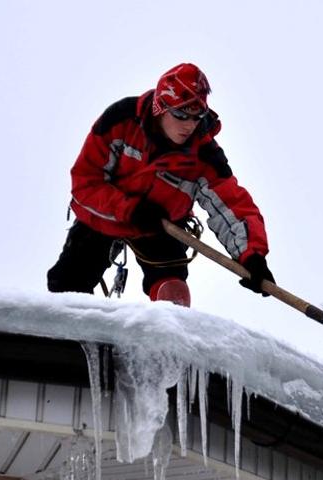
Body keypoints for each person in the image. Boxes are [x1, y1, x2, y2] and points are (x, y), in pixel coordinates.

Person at [47, 63, 274, 307]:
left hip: (162, 226)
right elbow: (85, 182)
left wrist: (252, 256)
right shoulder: (120, 120)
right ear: (160, 108)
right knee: (67, 285)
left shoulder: (205, 156)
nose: (189, 125)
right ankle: (70, 337)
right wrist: (130, 210)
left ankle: (163, 339)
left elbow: (233, 205)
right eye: (181, 115)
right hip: (104, 215)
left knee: (173, 294)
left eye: (196, 117)